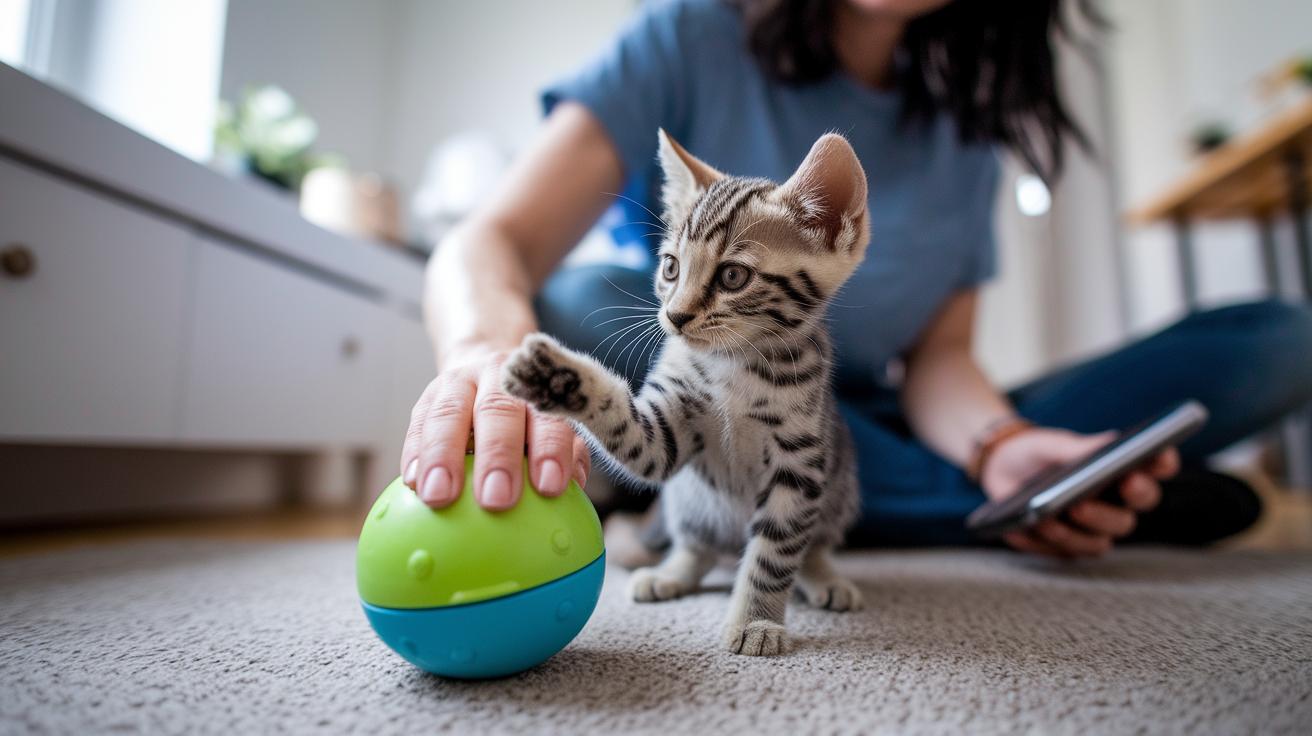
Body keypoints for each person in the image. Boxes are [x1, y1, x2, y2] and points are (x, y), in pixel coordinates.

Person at [399, 0, 1312, 559]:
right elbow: (490, 242)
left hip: (862, 414)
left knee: (1279, 339)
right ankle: (985, 515)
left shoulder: (966, 134)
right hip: (708, 402)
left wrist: (1000, 442)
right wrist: (483, 352)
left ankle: (984, 490)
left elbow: (943, 361)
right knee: (575, 305)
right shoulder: (685, 33)